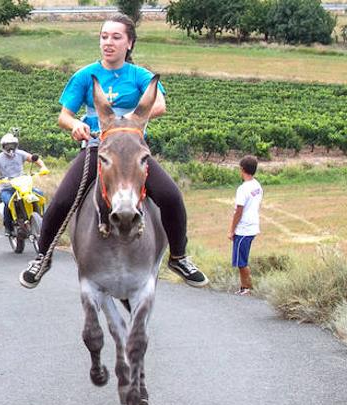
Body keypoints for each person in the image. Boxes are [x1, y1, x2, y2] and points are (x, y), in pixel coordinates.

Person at [20, 13, 209, 289]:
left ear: (129, 43)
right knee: (61, 201)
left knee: (170, 196)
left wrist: (127, 120)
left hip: (132, 153)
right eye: (104, 36)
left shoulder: (140, 76)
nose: (108, 42)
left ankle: (178, 256)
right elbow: (64, 116)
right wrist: (75, 125)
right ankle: (42, 257)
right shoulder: (85, 76)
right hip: (97, 149)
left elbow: (160, 105)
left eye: (116, 37)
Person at [0, 132, 49, 236]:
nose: (10, 148)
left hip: (22, 185)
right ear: (3, 146)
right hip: (7, 188)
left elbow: (35, 159)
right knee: (9, 202)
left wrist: (43, 167)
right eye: (8, 145)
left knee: (39, 195)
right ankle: (8, 227)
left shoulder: (20, 154)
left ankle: (42, 220)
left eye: (13, 145)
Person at [229, 156, 262, 296]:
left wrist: (231, 230)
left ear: (242, 169)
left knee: (241, 261)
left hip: (244, 228)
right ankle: (244, 286)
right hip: (253, 225)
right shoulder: (257, 186)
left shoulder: (243, 189)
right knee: (242, 258)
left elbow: (239, 211)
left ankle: (246, 288)